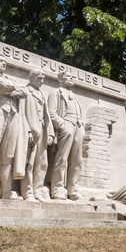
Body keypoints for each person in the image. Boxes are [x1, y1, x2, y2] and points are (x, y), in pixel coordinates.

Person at [0, 54, 28, 199]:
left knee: (9, 154)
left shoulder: (9, 79)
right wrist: (14, 91)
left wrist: (12, 89)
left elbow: (24, 92)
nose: (3, 64)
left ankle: (6, 191)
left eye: (4, 61)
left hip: (12, 115)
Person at [47, 70, 84, 200]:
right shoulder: (55, 93)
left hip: (78, 126)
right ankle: (57, 188)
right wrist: (62, 124)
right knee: (61, 158)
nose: (71, 78)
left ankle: (72, 189)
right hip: (66, 124)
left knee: (77, 160)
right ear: (60, 80)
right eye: (68, 76)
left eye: (71, 76)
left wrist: (81, 125)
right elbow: (51, 112)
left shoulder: (74, 96)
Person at [20, 68, 55, 201]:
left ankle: (38, 192)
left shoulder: (42, 94)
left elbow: (47, 117)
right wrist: (27, 130)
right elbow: (21, 113)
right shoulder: (26, 91)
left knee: (42, 164)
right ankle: (27, 192)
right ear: (32, 77)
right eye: (39, 78)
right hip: (31, 132)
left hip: (42, 132)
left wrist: (50, 133)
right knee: (28, 163)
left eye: (43, 79)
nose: (42, 81)